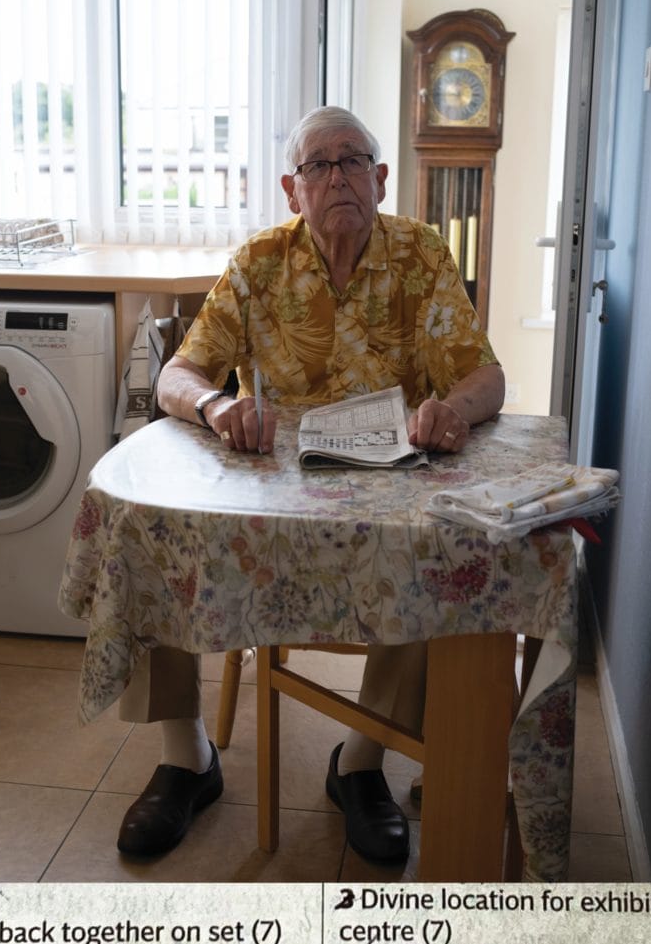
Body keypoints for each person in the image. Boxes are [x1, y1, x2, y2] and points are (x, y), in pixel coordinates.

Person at [116, 106, 504, 865]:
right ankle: (187, 755)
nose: (337, 178)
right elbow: (177, 375)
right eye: (318, 167)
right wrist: (220, 403)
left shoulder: (422, 255)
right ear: (293, 189)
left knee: (449, 547)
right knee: (151, 518)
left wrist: (451, 408)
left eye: (352, 160)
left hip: (386, 496)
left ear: (381, 179)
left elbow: (485, 375)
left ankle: (360, 760)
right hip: (270, 496)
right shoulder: (259, 260)